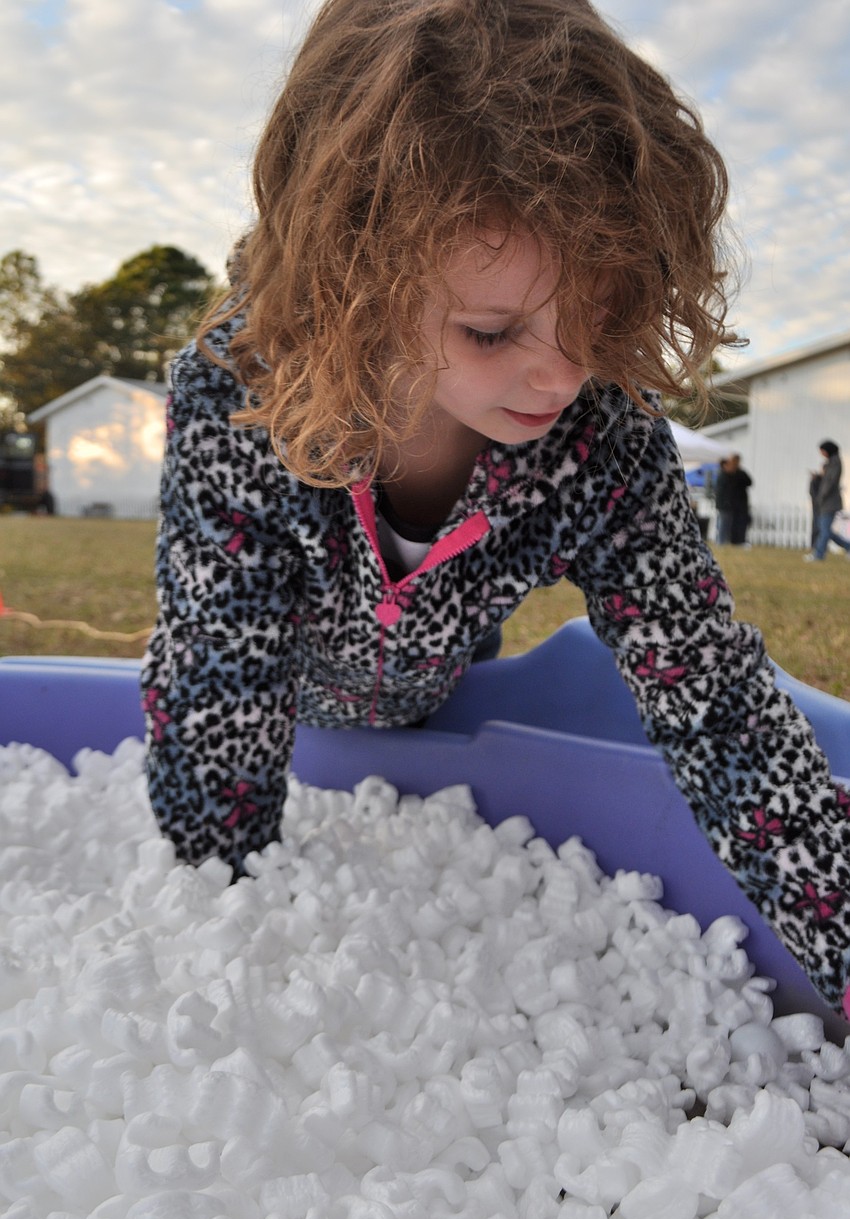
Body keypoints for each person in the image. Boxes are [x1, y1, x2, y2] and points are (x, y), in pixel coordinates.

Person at [142, 0, 850, 1019]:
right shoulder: (243, 391)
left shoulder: (601, 431)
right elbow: (220, 675)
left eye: (593, 312)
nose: (558, 373)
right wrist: (223, 930)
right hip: (298, 702)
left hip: (446, 695)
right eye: (489, 331)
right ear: (353, 278)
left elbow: (717, 707)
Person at [805, 440, 850, 562]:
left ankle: (819, 555)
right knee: (825, 530)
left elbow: (831, 482)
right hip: (825, 501)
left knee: (824, 529)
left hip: (830, 502)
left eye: (822, 451)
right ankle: (848, 546)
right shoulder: (831, 462)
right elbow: (827, 479)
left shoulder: (835, 463)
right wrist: (819, 477)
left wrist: (822, 495)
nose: (821, 454)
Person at [714, 452, 752, 545]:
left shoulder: (740, 474)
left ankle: (738, 542)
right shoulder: (723, 475)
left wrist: (737, 472)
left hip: (738, 506)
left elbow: (749, 482)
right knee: (723, 525)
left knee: (738, 526)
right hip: (725, 505)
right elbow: (722, 491)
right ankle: (721, 543)